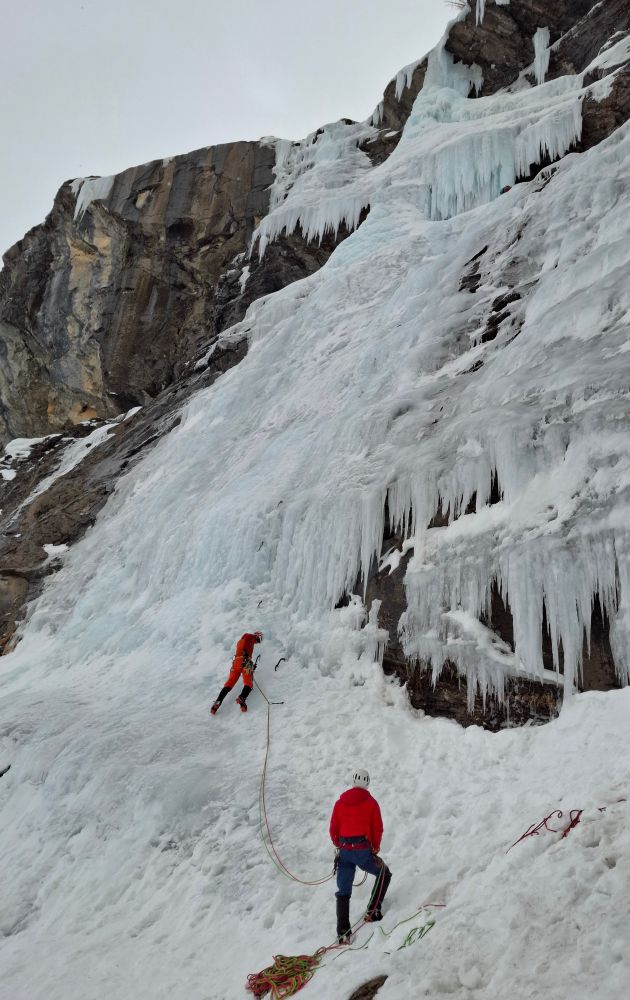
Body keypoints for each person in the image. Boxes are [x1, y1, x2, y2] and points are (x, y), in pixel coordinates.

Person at [329, 768, 392, 943]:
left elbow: (333, 829)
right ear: (367, 783)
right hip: (363, 850)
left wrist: (338, 844)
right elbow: (377, 828)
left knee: (343, 891)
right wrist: (375, 847)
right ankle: (373, 911)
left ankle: (343, 932)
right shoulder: (371, 803)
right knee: (384, 873)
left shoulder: (339, 803)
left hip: (345, 852)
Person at [210, 631, 263, 715]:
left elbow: (244, 649)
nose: (258, 642)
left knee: (229, 684)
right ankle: (242, 698)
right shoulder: (250, 637)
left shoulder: (241, 642)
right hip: (245, 662)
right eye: (259, 639)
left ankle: (217, 702)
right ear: (256, 635)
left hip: (236, 663)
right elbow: (248, 638)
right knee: (248, 683)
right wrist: (249, 664)